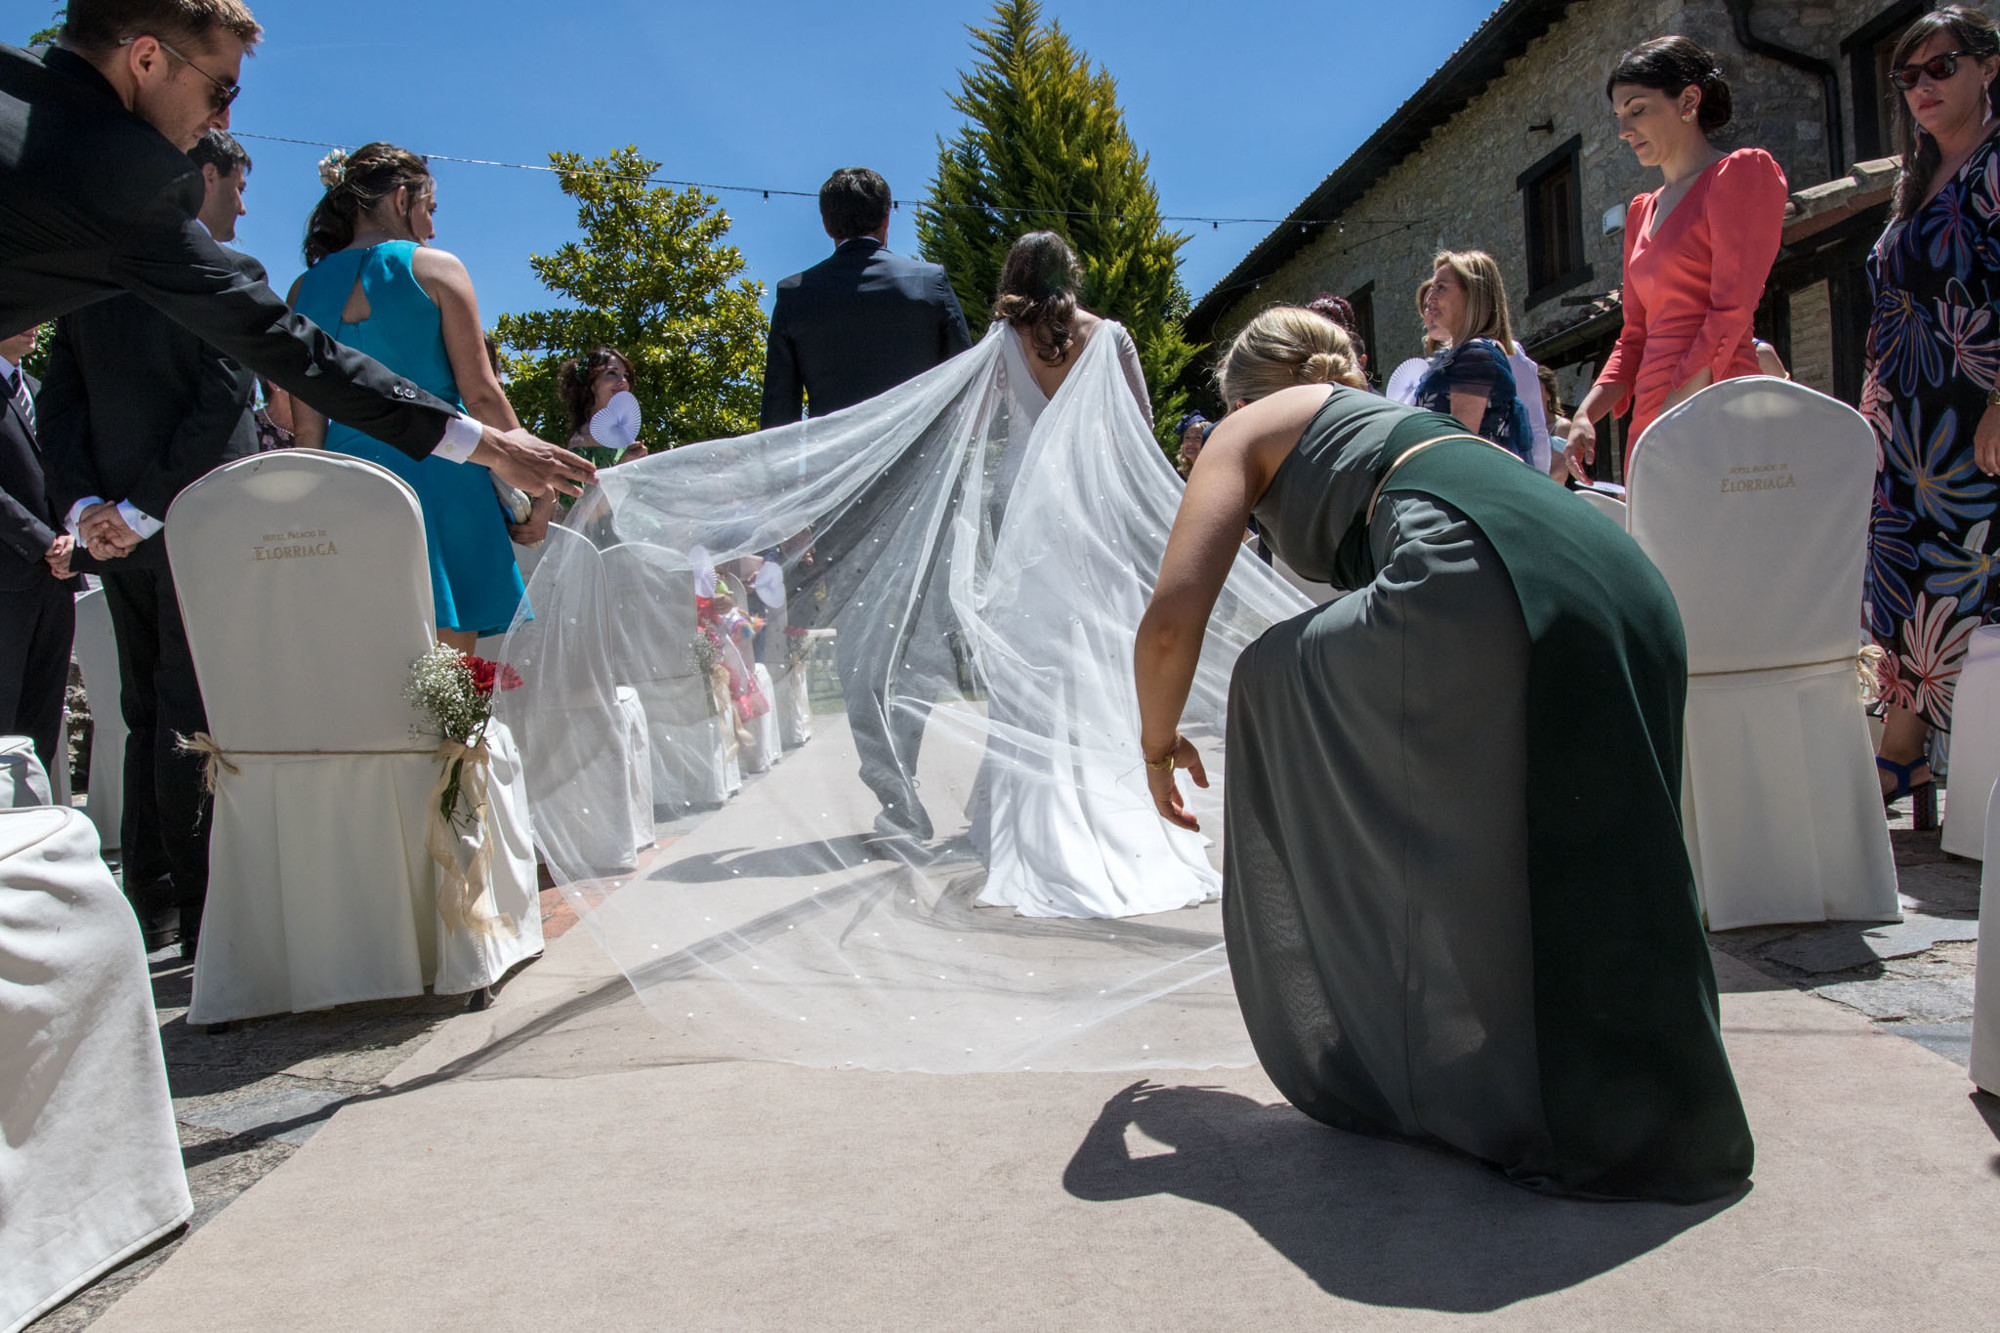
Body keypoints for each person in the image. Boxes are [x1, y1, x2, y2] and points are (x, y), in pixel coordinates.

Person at [1131, 305, 1753, 1202]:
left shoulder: (1248, 423)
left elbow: (1167, 627)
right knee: (1579, 831)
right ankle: (1651, 1108)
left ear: (1244, 394)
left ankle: (1379, 1026)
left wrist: (1157, 745)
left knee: (1267, 680)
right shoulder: (1410, 423)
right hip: (1627, 586)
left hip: (1472, 587)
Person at [0, 2, 592, 504]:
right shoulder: (125, 176)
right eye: (221, 88)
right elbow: (281, 343)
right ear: (147, 59)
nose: (223, 117)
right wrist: (489, 446)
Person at [39, 127, 263, 956]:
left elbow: (59, 410)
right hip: (196, 524)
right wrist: (132, 509)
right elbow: (219, 399)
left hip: (122, 533)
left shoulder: (91, 282)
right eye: (238, 184)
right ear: (203, 176)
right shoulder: (226, 276)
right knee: (190, 715)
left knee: (143, 716)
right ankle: (209, 916)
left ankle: (154, 905)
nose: (244, 203)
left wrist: (93, 507)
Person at [972, 231, 1207, 918]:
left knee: (1037, 671)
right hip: (1090, 510)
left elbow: (981, 427)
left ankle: (1041, 829)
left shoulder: (1002, 344)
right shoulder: (1109, 337)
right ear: (1071, 273)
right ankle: (1120, 811)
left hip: (1025, 517)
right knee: (1102, 656)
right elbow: (1136, 428)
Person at [288, 143, 540, 650]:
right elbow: (483, 394)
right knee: (449, 678)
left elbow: (307, 432)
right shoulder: (437, 269)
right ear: (402, 199)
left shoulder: (300, 292)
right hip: (444, 475)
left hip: (350, 486)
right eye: (429, 208)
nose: (431, 227)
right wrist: (535, 484)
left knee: (369, 661)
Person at [1862, 5, 2000, 824]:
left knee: (1960, 579)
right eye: (1906, 75)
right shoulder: (1916, 179)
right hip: (1907, 422)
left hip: (1970, 416)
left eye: (1940, 67)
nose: (1921, 87)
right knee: (1902, 584)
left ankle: (1906, 756)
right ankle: (1903, 753)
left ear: (1989, 66)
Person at [1565, 37, 1789, 481]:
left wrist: (1674, 410)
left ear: (1688, 101)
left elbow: (1731, 311)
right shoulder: (1640, 211)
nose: (1624, 130)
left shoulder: (1739, 173)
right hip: (1656, 414)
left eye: (1638, 109)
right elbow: (1634, 335)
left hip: (1714, 399)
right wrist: (1585, 414)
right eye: (1619, 116)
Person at [759, 167, 973, 427]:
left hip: (838, 461)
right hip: (917, 457)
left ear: (827, 226)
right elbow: (966, 379)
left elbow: (778, 413)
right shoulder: (929, 282)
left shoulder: (794, 294)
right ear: (886, 219)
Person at [0, 324, 77, 787]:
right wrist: (41, 540)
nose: (34, 323)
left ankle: (36, 833)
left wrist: (72, 537)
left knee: (41, 722)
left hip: (57, 578)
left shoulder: (39, 391)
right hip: (8, 575)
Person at [1413, 250, 1536, 465]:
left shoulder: (1476, 357)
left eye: (1440, 288)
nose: (1429, 299)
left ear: (1472, 293)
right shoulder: (1464, 355)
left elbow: (1459, 444)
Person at [559, 347, 651, 471]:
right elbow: (582, 491)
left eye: (626, 375)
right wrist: (622, 466)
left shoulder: (623, 435)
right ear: (590, 383)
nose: (623, 381)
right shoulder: (581, 442)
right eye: (612, 373)